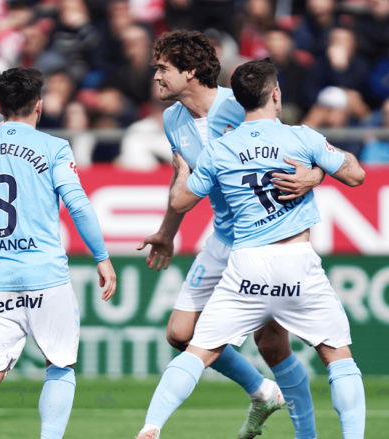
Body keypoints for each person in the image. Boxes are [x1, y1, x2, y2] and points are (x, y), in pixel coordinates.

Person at [139, 56, 366, 439]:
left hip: (246, 262)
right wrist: (321, 166)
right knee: (337, 358)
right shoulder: (300, 136)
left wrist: (183, 175)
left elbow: (182, 200)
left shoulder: (222, 145)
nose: (157, 75)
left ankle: (152, 425)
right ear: (275, 95)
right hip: (291, 258)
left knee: (204, 350)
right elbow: (356, 175)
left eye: (162, 67)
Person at [0, 67, 117, 439]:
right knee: (59, 366)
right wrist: (101, 257)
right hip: (46, 276)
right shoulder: (54, 147)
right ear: (39, 107)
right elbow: (77, 204)